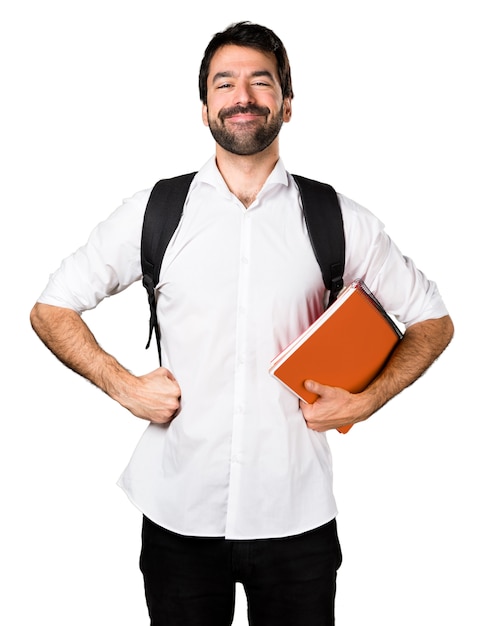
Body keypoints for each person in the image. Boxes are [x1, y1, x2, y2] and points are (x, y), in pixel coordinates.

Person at [30, 21, 454, 626]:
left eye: (261, 81)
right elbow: (52, 307)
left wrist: (367, 400)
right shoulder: (155, 212)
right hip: (178, 509)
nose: (243, 96)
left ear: (286, 102)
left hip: (296, 516)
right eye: (224, 83)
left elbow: (433, 320)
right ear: (205, 107)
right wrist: (123, 386)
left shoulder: (338, 217)